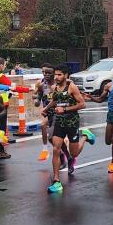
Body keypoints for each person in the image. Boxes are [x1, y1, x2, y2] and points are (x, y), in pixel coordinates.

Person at [44, 65, 95, 193]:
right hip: (60, 122)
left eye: (59, 75)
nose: (56, 77)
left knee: (74, 153)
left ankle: (85, 136)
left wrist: (65, 109)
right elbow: (55, 101)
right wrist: (46, 108)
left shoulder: (72, 87)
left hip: (72, 123)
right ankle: (56, 181)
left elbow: (82, 104)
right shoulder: (55, 87)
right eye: (55, 74)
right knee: (56, 149)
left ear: (66, 75)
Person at [35, 64, 56, 161]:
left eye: (47, 72)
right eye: (43, 72)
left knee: (56, 135)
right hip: (46, 110)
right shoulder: (40, 84)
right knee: (43, 124)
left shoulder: (57, 83)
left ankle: (62, 150)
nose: (44, 74)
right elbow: (37, 96)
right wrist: (37, 100)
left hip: (58, 111)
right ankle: (44, 149)